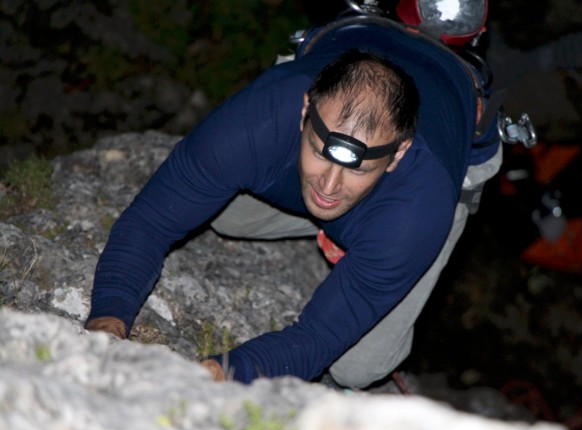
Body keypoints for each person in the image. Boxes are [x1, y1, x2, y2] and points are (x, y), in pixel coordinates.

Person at [84, 10, 502, 388]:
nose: (330, 185)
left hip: (437, 170)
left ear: (398, 155)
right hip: (350, 52)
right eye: (321, 152)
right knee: (230, 219)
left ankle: (363, 240)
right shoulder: (258, 119)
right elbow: (150, 222)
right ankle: (342, 228)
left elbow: (316, 339)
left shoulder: (418, 205)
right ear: (305, 112)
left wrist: (205, 378)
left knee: (357, 368)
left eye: (357, 168)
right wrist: (106, 327)